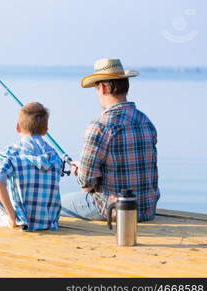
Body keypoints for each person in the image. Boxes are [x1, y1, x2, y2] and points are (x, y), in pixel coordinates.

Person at [61, 58, 160, 222]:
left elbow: (86, 185)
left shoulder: (100, 126)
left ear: (103, 87)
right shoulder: (146, 121)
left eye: (96, 88)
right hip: (146, 209)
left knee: (55, 203)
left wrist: (78, 170)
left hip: (115, 211)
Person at [0, 102, 63, 231]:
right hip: (49, 223)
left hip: (22, 222)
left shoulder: (11, 152)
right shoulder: (54, 156)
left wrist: (11, 216)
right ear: (45, 130)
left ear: (17, 127)